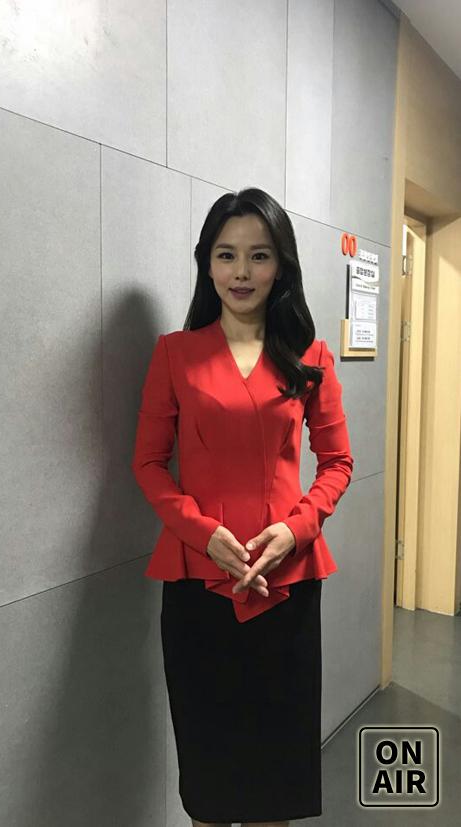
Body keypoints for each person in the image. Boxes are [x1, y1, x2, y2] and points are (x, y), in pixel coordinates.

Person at [131, 188, 354, 826]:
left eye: (259, 255)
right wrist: (202, 533)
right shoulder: (175, 353)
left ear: (281, 265)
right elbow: (148, 464)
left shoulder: (309, 356)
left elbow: (338, 462)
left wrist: (296, 529)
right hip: (198, 585)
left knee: (273, 782)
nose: (242, 271)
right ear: (207, 264)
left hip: (287, 585)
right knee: (209, 774)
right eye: (226, 254)